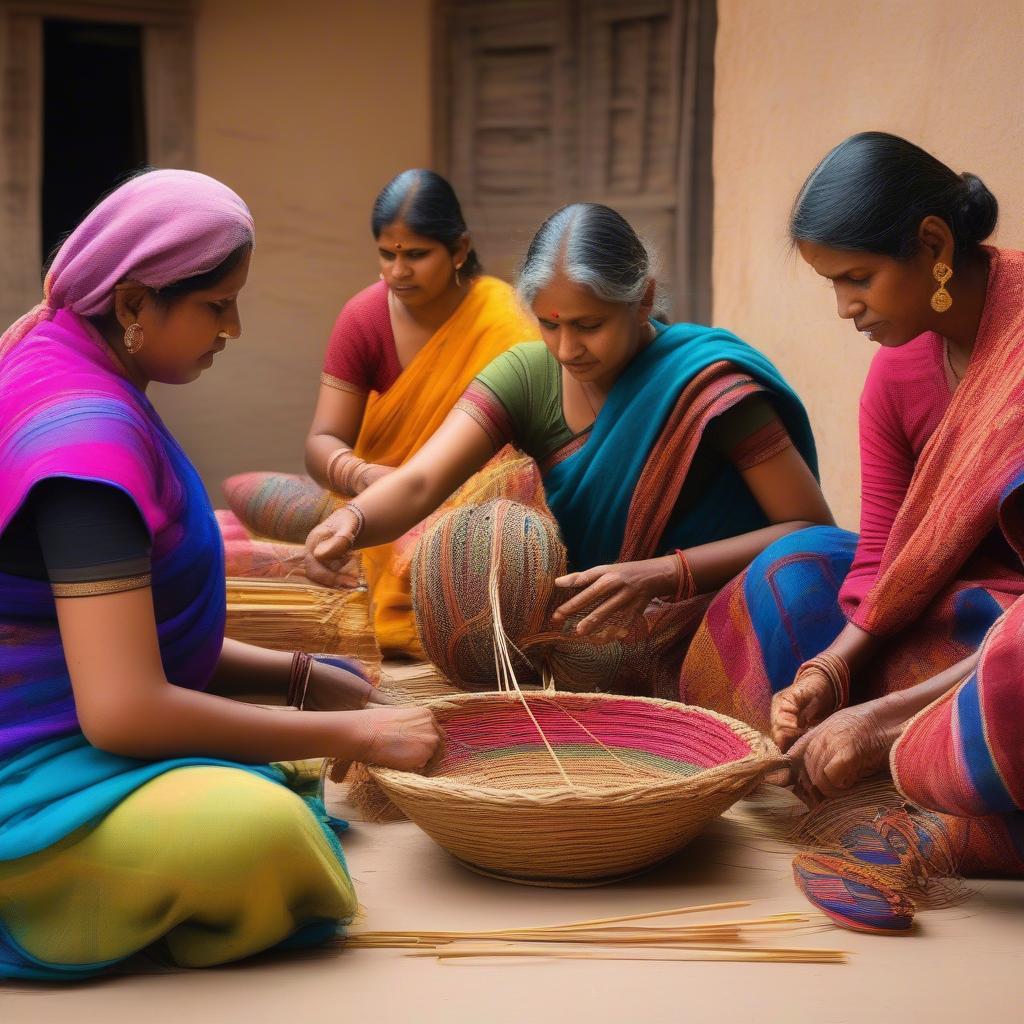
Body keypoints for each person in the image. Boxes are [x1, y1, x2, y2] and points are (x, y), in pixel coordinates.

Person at [0, 169, 442, 981]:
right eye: (215, 305)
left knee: (274, 776)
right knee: (263, 837)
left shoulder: (67, 363)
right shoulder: (85, 446)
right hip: (22, 780)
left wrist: (305, 677)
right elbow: (124, 707)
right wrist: (358, 732)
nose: (232, 326)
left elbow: (115, 647)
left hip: (60, 731)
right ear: (133, 304)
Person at [679, 132, 1024, 932]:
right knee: (790, 570)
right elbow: (884, 563)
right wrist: (832, 675)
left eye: (857, 278)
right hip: (945, 634)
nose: (846, 308)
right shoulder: (899, 371)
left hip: (1010, 650)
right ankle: (933, 774)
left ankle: (934, 812)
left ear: (933, 245)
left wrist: (878, 718)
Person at [305, 203, 832, 697]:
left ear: (643, 298)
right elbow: (420, 482)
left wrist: (666, 573)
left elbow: (807, 528)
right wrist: (352, 520)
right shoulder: (528, 376)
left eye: (589, 325)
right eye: (549, 324)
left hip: (721, 631)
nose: (566, 348)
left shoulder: (704, 386)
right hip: (593, 647)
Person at [304, 169, 537, 656]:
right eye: (387, 254)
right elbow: (323, 440)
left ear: (458, 250)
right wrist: (365, 476)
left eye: (416, 255)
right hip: (382, 511)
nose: (398, 271)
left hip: (481, 512)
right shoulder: (364, 319)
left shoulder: (505, 319)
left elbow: (531, 443)